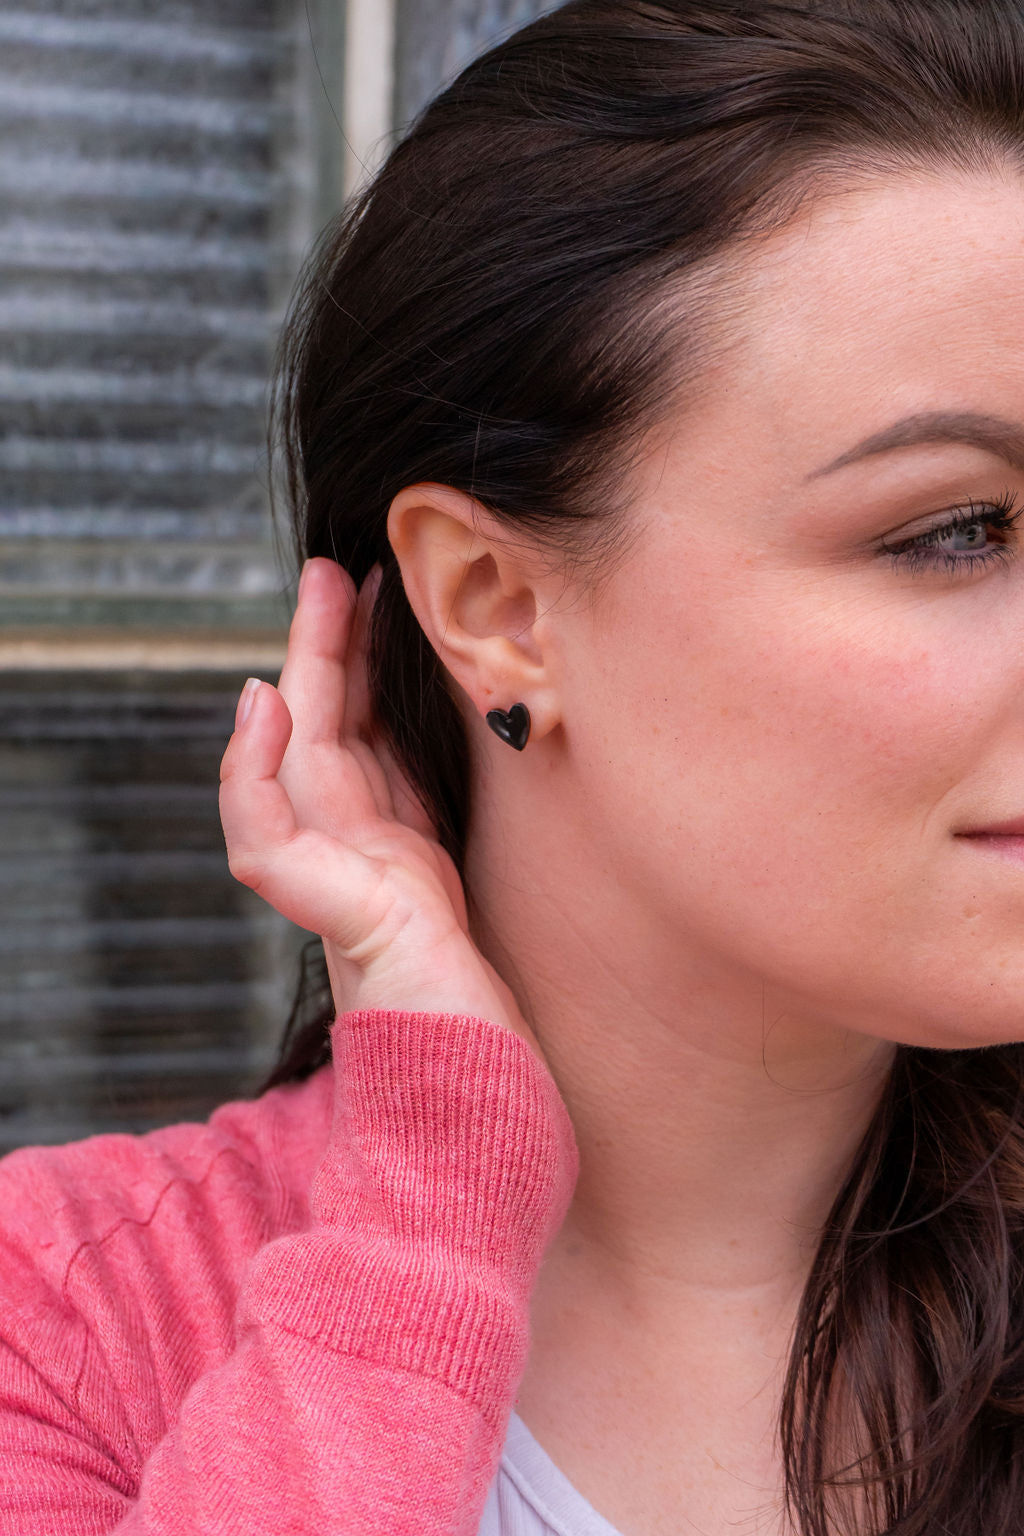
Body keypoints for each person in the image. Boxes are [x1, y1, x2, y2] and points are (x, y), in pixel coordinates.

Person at [3, 0, 1024, 1530]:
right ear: (498, 607)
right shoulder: (63, 1328)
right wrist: (432, 1199)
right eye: (957, 531)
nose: (986, 564)